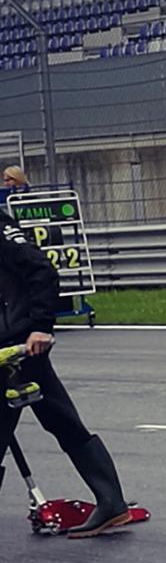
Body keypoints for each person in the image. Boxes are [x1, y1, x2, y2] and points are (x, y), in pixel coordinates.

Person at [0, 209, 131, 538]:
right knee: (61, 419)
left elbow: (42, 270)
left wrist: (41, 326)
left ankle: (112, 501)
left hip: (19, 348)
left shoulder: (2, 230)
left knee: (55, 420)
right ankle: (112, 501)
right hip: (9, 346)